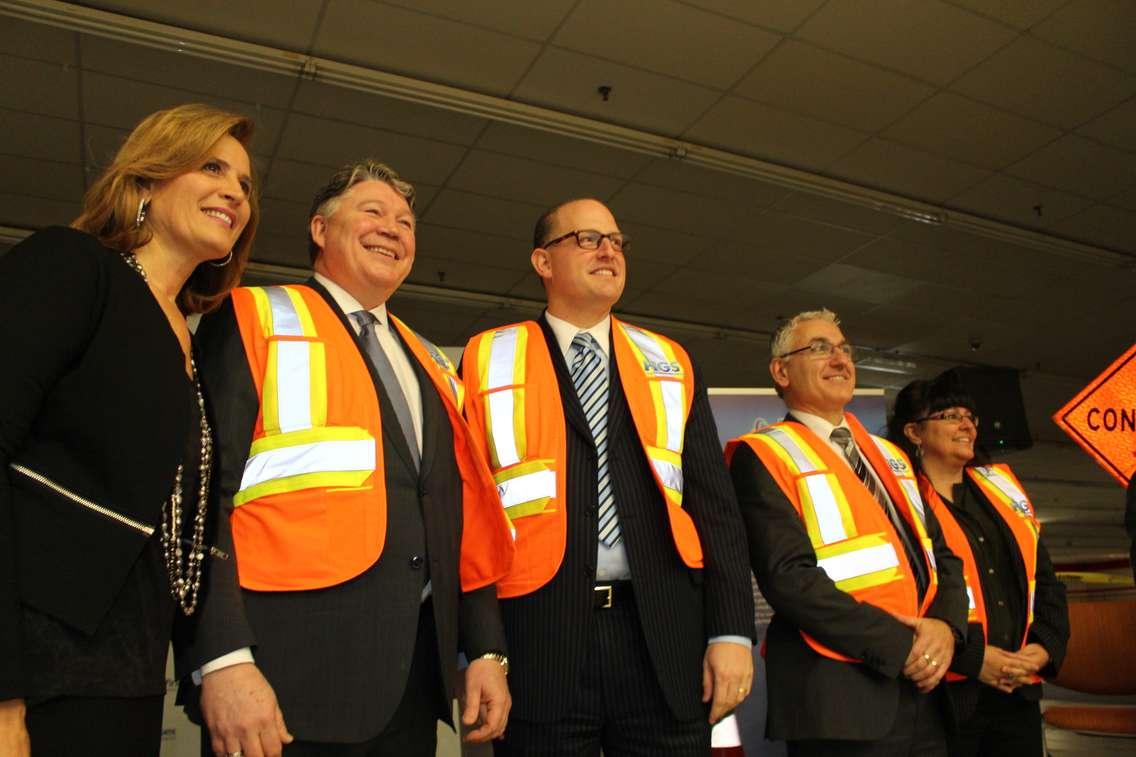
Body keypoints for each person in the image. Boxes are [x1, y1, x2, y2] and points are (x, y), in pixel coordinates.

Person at [179, 159, 515, 757]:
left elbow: (462, 518)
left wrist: (482, 649)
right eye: (374, 212)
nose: (395, 228)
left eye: (407, 222)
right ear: (318, 228)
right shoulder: (251, 315)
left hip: (410, 688)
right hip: (282, 682)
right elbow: (205, 495)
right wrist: (222, 657)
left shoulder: (434, 363)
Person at [0, 103, 258, 757]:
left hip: (131, 679)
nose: (234, 190)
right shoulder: (72, 266)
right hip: (39, 676)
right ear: (146, 181)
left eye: (246, 184)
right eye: (212, 166)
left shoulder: (191, 346)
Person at [461, 198, 755, 756]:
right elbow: (469, 519)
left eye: (617, 241)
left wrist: (731, 631)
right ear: (543, 262)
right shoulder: (487, 358)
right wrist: (484, 649)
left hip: (664, 640)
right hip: (539, 641)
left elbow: (716, 511)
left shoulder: (669, 360)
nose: (608, 251)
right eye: (588, 239)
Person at [725, 309, 968, 757]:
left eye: (844, 349)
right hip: (842, 698)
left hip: (928, 698)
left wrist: (946, 629)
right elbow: (790, 581)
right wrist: (904, 648)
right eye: (819, 348)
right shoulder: (763, 454)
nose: (839, 359)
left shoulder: (891, 455)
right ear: (781, 371)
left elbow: (944, 556)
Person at [887, 375, 1068, 756]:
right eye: (950, 415)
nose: (966, 424)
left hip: (1018, 688)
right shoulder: (901, 504)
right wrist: (974, 659)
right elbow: (902, 599)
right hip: (947, 694)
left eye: (970, 416)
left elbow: (1045, 581)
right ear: (913, 432)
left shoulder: (1001, 490)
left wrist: (1044, 647)